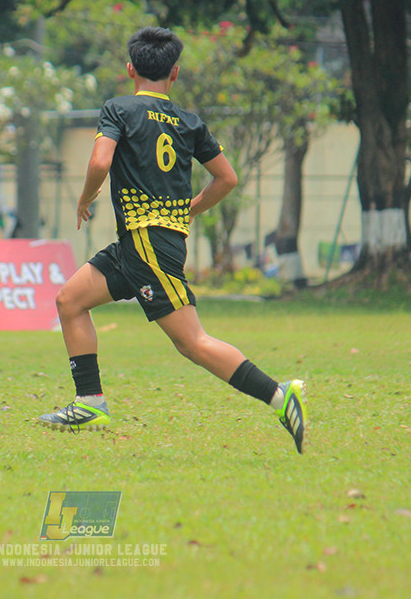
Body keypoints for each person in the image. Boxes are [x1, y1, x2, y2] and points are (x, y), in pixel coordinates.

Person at [37, 27, 308, 453]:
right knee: (70, 301)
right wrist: (189, 210)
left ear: (130, 69)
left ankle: (279, 395)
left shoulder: (118, 108)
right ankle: (89, 403)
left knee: (191, 342)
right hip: (140, 244)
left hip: (148, 246)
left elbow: (100, 160)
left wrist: (86, 197)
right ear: (175, 73)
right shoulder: (188, 122)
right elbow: (227, 179)